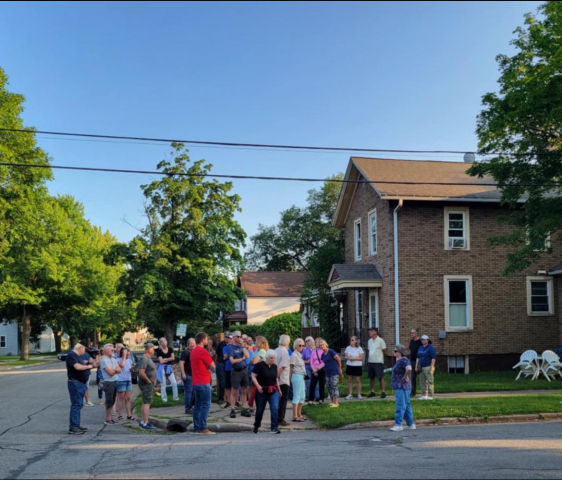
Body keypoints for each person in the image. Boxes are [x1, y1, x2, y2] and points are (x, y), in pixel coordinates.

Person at [66, 343, 95, 434]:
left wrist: (93, 362)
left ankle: (77, 425)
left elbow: (85, 364)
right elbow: (77, 367)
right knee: (76, 404)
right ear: (80, 348)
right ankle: (73, 427)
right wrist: (88, 366)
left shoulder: (78, 356)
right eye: (84, 349)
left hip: (80, 383)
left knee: (79, 404)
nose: (85, 351)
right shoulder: (72, 355)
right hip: (75, 382)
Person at [191, 332, 216, 435]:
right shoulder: (203, 351)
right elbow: (212, 365)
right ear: (202, 340)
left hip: (196, 382)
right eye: (206, 339)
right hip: (204, 381)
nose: (207, 340)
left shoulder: (193, 351)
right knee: (206, 404)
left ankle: (197, 427)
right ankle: (203, 427)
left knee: (197, 405)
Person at [251, 350, 281, 434]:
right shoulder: (259, 365)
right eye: (271, 358)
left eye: (274, 358)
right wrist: (258, 386)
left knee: (274, 408)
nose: (273, 359)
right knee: (260, 409)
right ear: (267, 358)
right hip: (262, 391)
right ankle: (256, 426)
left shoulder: (275, 366)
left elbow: (276, 379)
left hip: (273, 390)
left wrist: (279, 389)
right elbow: (253, 376)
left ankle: (274, 428)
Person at [390, 344, 416, 432]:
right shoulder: (400, 360)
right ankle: (411, 424)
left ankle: (398, 424)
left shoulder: (403, 360)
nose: (394, 352)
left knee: (400, 405)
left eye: (396, 351)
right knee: (407, 405)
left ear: (400, 352)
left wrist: (405, 376)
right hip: (403, 386)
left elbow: (409, 368)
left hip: (402, 386)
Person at [226, 331, 250, 419]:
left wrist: (243, 346)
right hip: (236, 371)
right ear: (234, 337)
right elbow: (232, 361)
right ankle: (232, 409)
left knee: (244, 390)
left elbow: (247, 356)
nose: (240, 338)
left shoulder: (242, 346)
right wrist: (242, 358)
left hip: (244, 369)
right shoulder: (230, 348)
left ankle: (243, 408)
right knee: (234, 390)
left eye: (240, 336)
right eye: (238, 336)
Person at [137, 343, 158, 430]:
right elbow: (141, 372)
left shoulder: (148, 358)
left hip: (149, 383)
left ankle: (143, 421)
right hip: (146, 384)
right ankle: (145, 423)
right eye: (152, 348)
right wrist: (149, 381)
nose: (154, 350)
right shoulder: (144, 358)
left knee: (145, 401)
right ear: (149, 349)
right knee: (147, 402)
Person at [100, 344, 121, 426]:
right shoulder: (104, 360)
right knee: (109, 401)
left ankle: (111, 418)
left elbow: (119, 370)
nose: (113, 351)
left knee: (112, 401)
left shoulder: (113, 359)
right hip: (109, 382)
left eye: (113, 350)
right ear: (106, 351)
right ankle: (107, 419)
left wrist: (114, 370)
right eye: (111, 350)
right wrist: (115, 370)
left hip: (115, 381)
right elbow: (110, 373)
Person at [319, 339, 342, 408]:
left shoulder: (331, 351)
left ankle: (336, 402)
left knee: (334, 386)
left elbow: (338, 359)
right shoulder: (322, 355)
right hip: (327, 372)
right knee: (329, 387)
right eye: (320, 345)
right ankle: (332, 402)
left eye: (323, 344)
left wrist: (340, 368)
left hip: (334, 371)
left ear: (326, 345)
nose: (322, 346)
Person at [248, 336, 269, 409]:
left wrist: (252, 361)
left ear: (261, 342)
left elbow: (254, 361)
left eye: (256, 341)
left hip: (259, 373)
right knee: (252, 389)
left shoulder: (262, 351)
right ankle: (252, 406)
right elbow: (251, 361)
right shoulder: (257, 351)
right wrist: (252, 361)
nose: (255, 342)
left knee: (257, 390)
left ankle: (256, 407)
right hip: (254, 371)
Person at [275, 334, 291, 426]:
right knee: (283, 399)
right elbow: (281, 367)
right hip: (283, 379)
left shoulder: (276, 350)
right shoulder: (285, 352)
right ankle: (280, 418)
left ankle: (275, 417)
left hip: (275, 378)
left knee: (277, 400)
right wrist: (277, 377)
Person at [367, 327, 388, 399]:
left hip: (378, 362)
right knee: (371, 377)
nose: (370, 332)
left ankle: (383, 392)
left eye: (371, 331)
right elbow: (369, 350)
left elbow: (384, 350)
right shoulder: (369, 341)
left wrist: (381, 357)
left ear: (375, 332)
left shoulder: (380, 340)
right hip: (371, 361)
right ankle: (372, 391)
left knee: (380, 377)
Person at [156, 337, 179, 403]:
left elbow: (173, 358)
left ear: (166, 341)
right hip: (162, 368)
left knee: (174, 382)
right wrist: (169, 359)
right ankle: (164, 399)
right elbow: (161, 361)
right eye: (162, 342)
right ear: (160, 343)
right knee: (163, 384)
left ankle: (175, 398)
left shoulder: (170, 349)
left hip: (169, 367)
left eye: (164, 341)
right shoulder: (159, 351)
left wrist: (166, 359)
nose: (163, 343)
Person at [116, 347, 135, 421]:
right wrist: (124, 356)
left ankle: (129, 414)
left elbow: (128, 368)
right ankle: (120, 414)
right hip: (121, 380)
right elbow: (122, 365)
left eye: (128, 354)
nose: (127, 356)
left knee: (128, 398)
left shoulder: (129, 360)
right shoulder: (117, 360)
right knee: (121, 398)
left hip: (128, 380)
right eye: (126, 354)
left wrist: (132, 369)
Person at [290, 338, 307, 421]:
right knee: (297, 396)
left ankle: (299, 413)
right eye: (300, 345)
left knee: (302, 396)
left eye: (303, 345)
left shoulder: (300, 355)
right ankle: (295, 415)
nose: (302, 347)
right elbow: (291, 366)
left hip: (301, 376)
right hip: (296, 376)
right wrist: (290, 377)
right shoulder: (294, 355)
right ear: (295, 346)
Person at [416, 334, 436, 400]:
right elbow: (418, 357)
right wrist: (416, 366)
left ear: (427, 340)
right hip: (421, 366)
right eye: (422, 339)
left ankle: (430, 395)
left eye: (424, 339)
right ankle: (424, 395)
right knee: (422, 381)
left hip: (428, 366)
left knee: (430, 381)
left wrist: (432, 366)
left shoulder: (431, 348)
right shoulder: (420, 348)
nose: (423, 341)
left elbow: (433, 358)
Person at [179, 338, 196, 414]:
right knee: (188, 391)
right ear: (188, 344)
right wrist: (183, 373)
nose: (193, 345)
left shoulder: (194, 352)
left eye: (194, 343)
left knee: (193, 392)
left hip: (194, 375)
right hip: (187, 374)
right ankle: (187, 407)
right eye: (191, 343)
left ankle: (192, 406)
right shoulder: (185, 352)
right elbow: (181, 363)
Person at [309, 337, 326, 404]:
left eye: (316, 342)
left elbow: (324, 362)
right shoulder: (314, 351)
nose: (315, 343)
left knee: (321, 384)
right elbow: (311, 361)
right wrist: (313, 369)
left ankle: (321, 399)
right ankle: (311, 399)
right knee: (312, 385)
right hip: (314, 370)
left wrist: (318, 369)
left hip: (321, 369)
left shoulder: (323, 351)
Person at [302, 336, 317, 402]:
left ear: (312, 340)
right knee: (308, 382)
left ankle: (317, 396)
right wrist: (306, 361)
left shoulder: (316, 349)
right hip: (307, 368)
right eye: (306, 341)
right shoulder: (305, 350)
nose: (307, 342)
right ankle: (309, 396)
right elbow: (301, 360)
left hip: (316, 368)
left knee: (316, 382)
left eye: (309, 340)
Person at [409, 328, 422, 398]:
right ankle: (413, 392)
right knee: (412, 377)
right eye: (411, 333)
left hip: (419, 361)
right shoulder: (411, 341)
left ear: (416, 334)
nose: (411, 334)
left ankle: (425, 392)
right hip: (412, 361)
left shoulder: (420, 342)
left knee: (422, 377)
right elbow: (410, 350)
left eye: (412, 333)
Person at [215, 334, 228, 405]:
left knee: (229, 382)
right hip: (221, 363)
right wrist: (216, 363)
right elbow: (217, 354)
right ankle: (221, 397)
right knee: (222, 382)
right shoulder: (220, 344)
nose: (227, 339)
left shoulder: (232, 345)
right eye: (226, 337)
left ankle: (229, 398)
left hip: (229, 365)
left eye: (229, 337)